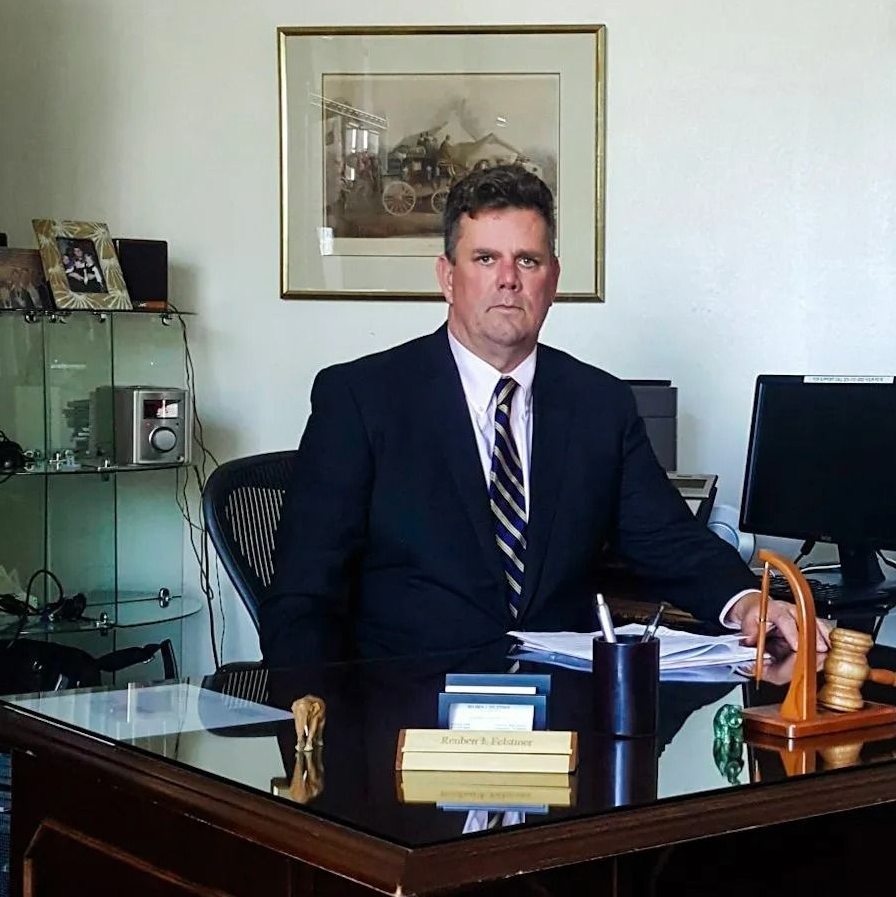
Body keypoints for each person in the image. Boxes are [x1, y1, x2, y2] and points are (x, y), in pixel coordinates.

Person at [262, 163, 816, 667]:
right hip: (408, 714)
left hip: (564, 704)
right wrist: (320, 733)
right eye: (485, 259)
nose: (508, 278)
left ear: (551, 280)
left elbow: (668, 539)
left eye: (527, 260)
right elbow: (304, 595)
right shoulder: (361, 399)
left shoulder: (600, 404)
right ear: (448, 278)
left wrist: (747, 602)